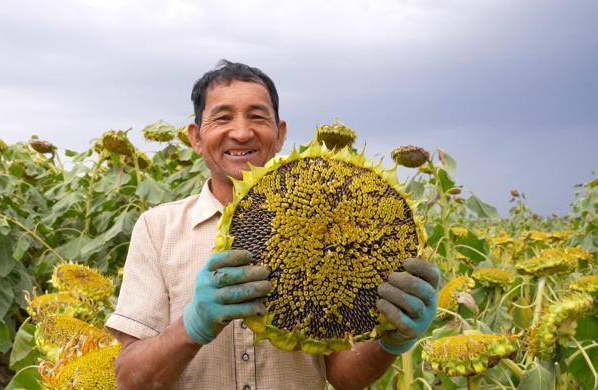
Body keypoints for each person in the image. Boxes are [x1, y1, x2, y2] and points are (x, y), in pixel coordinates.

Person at [106, 60, 439, 390]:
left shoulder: (339, 217)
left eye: (257, 117)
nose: (241, 132)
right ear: (196, 137)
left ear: (280, 135)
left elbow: (343, 376)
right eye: (222, 118)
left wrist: (392, 339)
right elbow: (130, 379)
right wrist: (192, 326)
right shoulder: (157, 229)